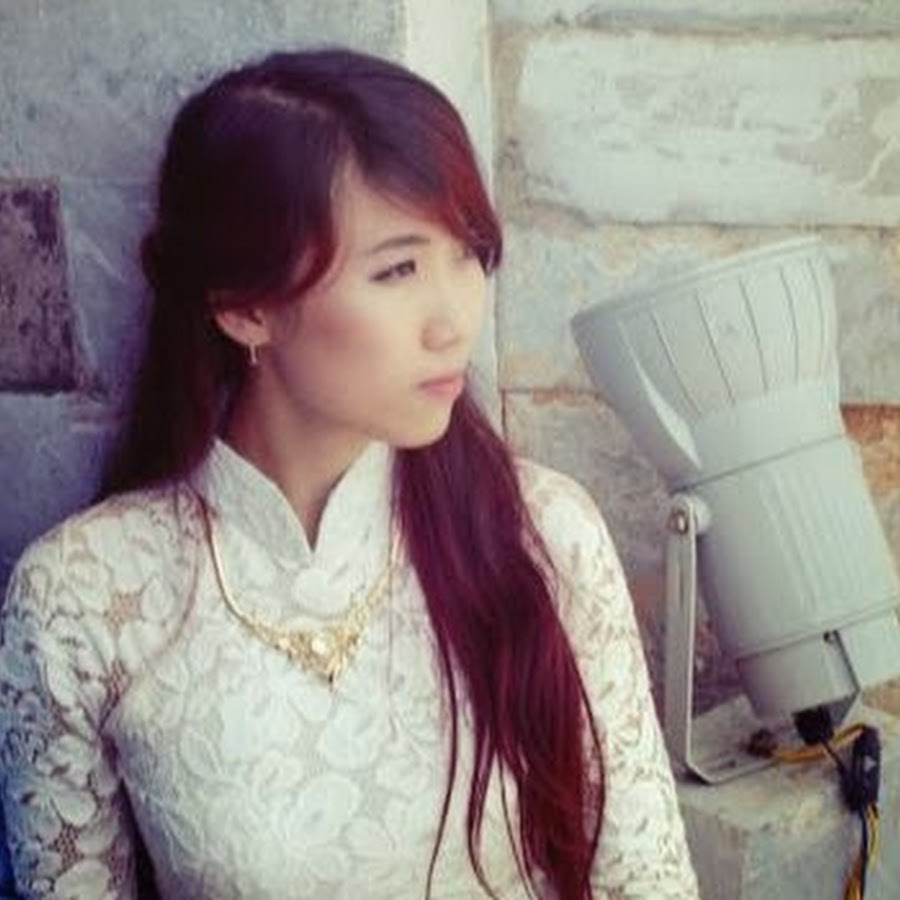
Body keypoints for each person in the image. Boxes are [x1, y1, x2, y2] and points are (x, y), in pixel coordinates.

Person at [0, 49, 698, 899]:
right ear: (244, 307)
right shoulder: (83, 598)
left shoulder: (542, 535)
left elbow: (643, 880)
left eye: (469, 252)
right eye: (398, 269)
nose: (455, 320)